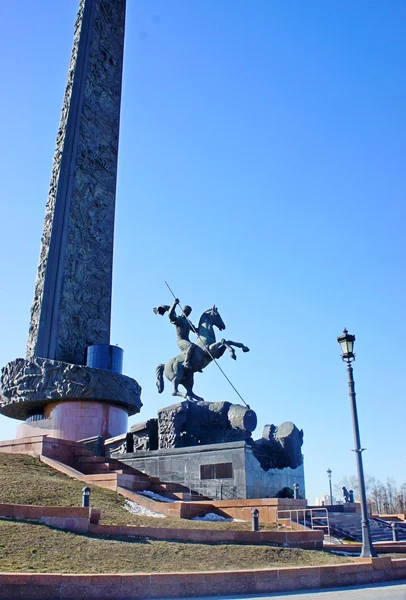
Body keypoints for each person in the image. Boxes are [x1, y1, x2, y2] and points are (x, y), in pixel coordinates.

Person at [167, 298, 200, 371]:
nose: (187, 313)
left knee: (197, 348)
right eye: (186, 311)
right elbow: (170, 315)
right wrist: (174, 304)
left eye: (189, 312)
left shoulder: (188, 322)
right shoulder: (179, 319)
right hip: (180, 340)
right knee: (191, 346)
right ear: (183, 311)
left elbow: (196, 330)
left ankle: (196, 364)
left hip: (187, 340)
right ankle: (186, 362)